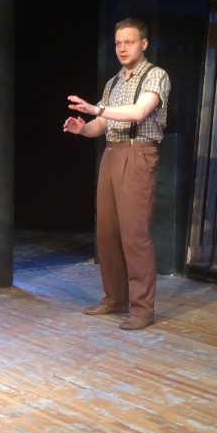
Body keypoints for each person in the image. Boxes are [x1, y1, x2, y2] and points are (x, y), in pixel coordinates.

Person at [63, 17, 171, 330]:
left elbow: (138, 112)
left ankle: (142, 309)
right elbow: (102, 124)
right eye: (118, 43)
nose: (122, 48)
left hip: (138, 154)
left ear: (144, 44)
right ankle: (115, 298)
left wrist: (97, 110)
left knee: (135, 235)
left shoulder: (155, 75)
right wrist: (83, 128)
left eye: (129, 42)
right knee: (107, 233)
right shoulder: (113, 83)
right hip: (112, 154)